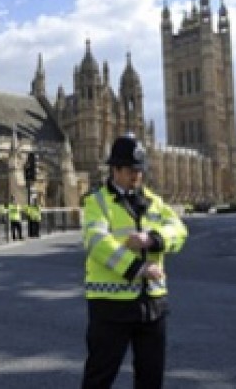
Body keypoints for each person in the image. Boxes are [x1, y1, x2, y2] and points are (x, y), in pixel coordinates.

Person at [80, 134, 188, 389]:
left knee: (151, 379)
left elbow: (179, 229)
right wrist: (138, 268)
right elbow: (97, 242)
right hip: (110, 306)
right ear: (115, 169)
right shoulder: (96, 202)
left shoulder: (153, 200)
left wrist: (153, 239)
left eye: (140, 170)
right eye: (131, 170)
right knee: (99, 378)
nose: (137, 175)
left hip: (152, 305)